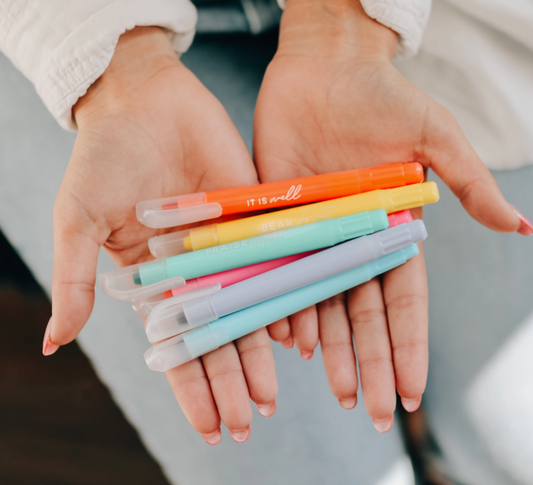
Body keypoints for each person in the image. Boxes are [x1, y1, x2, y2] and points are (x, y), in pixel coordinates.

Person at [1, 0, 532, 484]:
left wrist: (342, 25)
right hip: (85, 32)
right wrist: (119, 72)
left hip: (432, 25)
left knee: (515, 452)